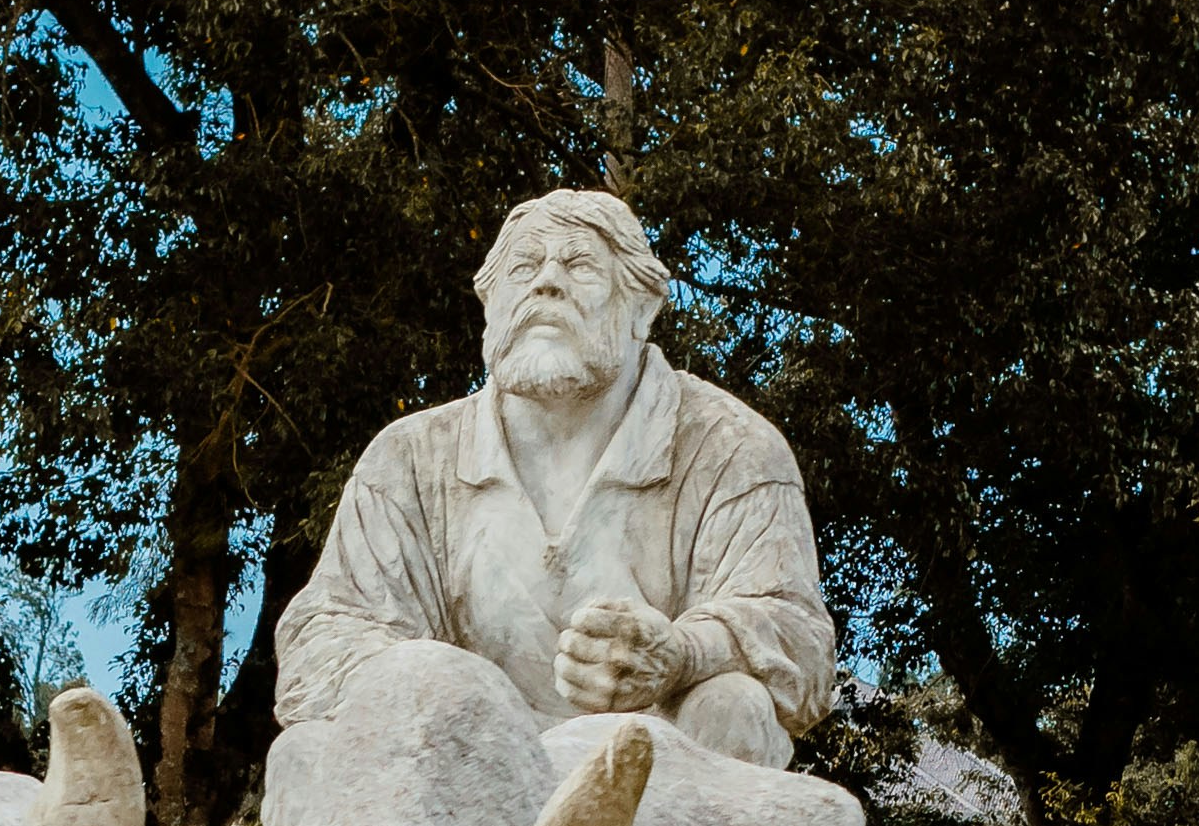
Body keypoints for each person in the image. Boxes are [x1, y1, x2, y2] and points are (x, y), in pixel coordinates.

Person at [275, 189, 835, 768]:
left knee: (734, 704)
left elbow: (800, 636)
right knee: (303, 752)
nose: (547, 284)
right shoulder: (410, 458)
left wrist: (684, 652)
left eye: (580, 265)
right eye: (524, 267)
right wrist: (443, 685)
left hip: (652, 765)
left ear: (641, 309)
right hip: (461, 763)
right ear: (491, 305)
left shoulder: (732, 447)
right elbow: (324, 633)